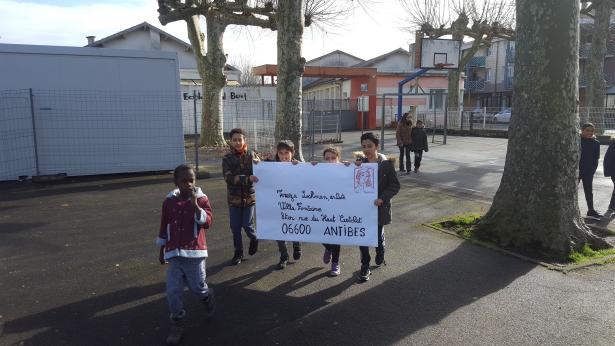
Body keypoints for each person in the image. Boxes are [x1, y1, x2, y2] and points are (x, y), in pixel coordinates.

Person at [156, 164, 215, 346]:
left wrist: (196, 206)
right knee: (172, 291)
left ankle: (207, 296)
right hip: (174, 254)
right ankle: (178, 322)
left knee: (197, 288)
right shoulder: (169, 202)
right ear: (176, 182)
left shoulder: (202, 199)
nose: (189, 184)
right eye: (184, 181)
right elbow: (164, 223)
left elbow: (208, 222)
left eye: (192, 180)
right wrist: (162, 247)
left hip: (195, 254)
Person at [355, 132, 400, 282]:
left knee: (376, 236)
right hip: (362, 209)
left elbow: (395, 186)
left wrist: (382, 198)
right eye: (364, 146)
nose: (366, 149)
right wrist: (347, 166)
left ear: (377, 146)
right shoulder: (359, 164)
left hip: (379, 209)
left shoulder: (386, 165)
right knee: (363, 237)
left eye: (370, 146)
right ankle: (365, 265)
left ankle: (380, 248)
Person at [254, 140, 302, 270]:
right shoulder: (271, 165)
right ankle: (284, 256)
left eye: (287, 153)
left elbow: (310, 174)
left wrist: (303, 166)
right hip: (277, 205)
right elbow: (261, 170)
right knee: (279, 231)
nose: (284, 156)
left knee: (294, 226)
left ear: (293, 153)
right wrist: (258, 165)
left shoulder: (298, 165)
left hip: (294, 204)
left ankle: (296, 245)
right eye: (281, 153)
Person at [222, 128, 259, 265]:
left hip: (249, 197)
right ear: (231, 142)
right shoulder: (227, 158)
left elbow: (262, 169)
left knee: (247, 224)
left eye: (240, 139)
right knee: (235, 227)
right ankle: (238, 252)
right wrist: (247, 178)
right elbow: (229, 178)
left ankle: (254, 238)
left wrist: (260, 164)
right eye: (235, 140)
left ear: (244, 140)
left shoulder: (252, 155)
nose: (237, 142)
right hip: (234, 199)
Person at [316, 147, 348, 276]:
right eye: (327, 159)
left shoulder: (346, 169)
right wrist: (311, 168)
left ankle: (335, 264)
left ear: (338, 158)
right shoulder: (321, 170)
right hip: (323, 208)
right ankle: (328, 248)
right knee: (318, 232)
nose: (330, 161)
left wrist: (351, 166)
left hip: (340, 209)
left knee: (336, 236)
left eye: (333, 158)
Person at [579, 123, 602, 220]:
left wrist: (592, 170)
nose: (590, 133)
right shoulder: (577, 141)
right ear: (582, 130)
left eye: (591, 131)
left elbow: (596, 159)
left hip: (588, 171)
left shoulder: (596, 143)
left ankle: (591, 210)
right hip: (576, 170)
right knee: (572, 190)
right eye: (587, 130)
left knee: (589, 190)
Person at [603, 139, 615, 218]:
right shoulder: (613, 144)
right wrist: (608, 172)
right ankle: (611, 207)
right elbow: (607, 158)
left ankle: (611, 207)